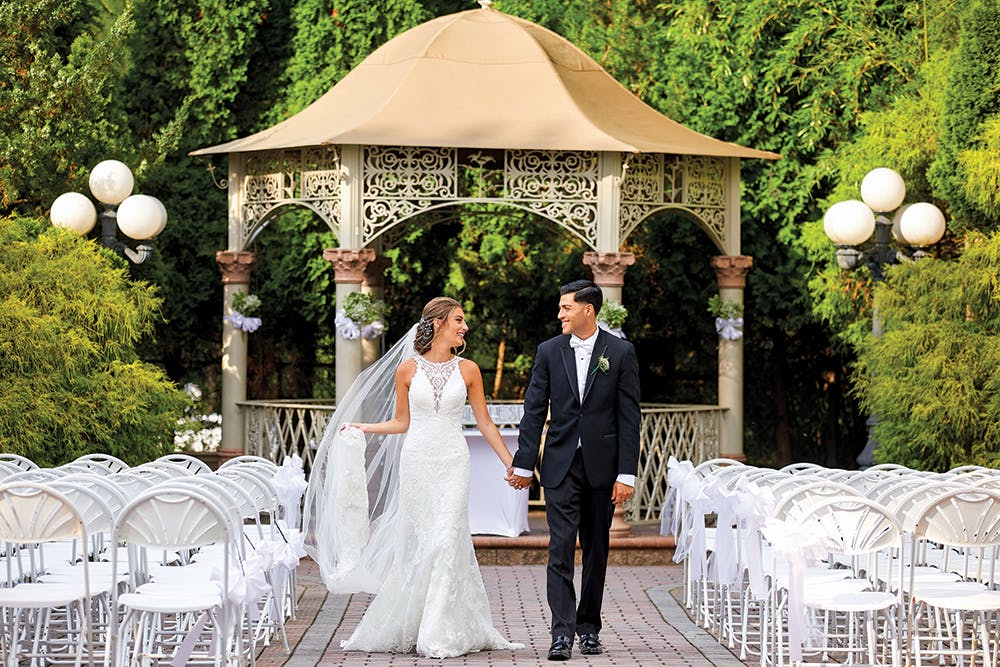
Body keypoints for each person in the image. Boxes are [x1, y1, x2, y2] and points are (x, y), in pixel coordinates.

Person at [302, 296, 523, 659]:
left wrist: (509, 462)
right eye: (459, 320)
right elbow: (402, 421)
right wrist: (364, 426)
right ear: (437, 323)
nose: (465, 327)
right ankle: (418, 621)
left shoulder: (468, 370)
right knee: (420, 542)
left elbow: (484, 421)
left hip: (453, 461)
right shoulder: (406, 369)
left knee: (447, 538)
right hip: (417, 461)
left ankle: (439, 631)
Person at [506, 279, 641, 661]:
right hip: (561, 466)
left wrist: (626, 474)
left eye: (566, 307)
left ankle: (589, 628)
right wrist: (524, 462)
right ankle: (561, 633)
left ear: (588, 310)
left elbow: (630, 417)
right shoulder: (549, 351)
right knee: (560, 550)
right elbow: (534, 411)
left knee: (597, 551)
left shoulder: (620, 351)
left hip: (604, 468)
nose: (560, 314)